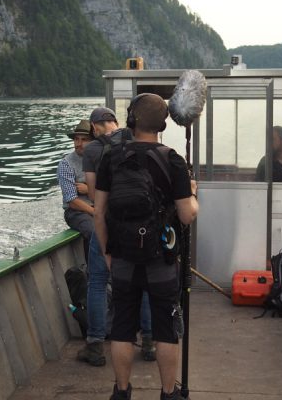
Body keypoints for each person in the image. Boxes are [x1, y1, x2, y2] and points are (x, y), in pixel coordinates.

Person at [94, 94, 199, 400]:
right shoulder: (173, 159)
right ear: (162, 124)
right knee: (166, 328)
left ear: (131, 119)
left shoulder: (111, 158)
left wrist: (107, 253)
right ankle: (168, 393)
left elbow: (99, 213)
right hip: (161, 260)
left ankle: (122, 391)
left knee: (123, 328)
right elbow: (186, 215)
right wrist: (192, 194)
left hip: (123, 257)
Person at [78, 107, 155, 367]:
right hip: (139, 227)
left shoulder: (91, 150)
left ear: (94, 126)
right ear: (115, 122)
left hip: (107, 224)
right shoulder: (136, 140)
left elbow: (91, 193)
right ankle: (149, 341)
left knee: (98, 281)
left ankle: (96, 346)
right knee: (144, 282)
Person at [57, 119, 94, 263]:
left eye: (84, 139)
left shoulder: (99, 160)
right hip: (76, 213)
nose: (78, 143)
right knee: (94, 231)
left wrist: (89, 189)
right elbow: (72, 201)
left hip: (98, 206)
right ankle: (94, 274)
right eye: (76, 139)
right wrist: (96, 212)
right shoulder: (66, 164)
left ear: (93, 141)